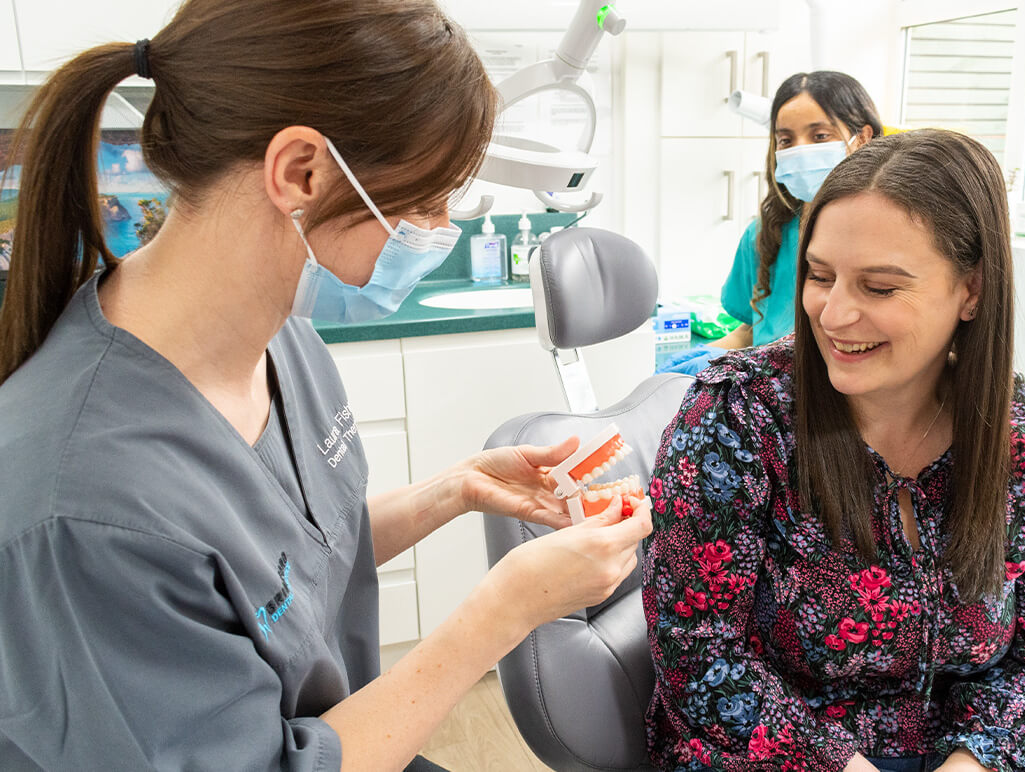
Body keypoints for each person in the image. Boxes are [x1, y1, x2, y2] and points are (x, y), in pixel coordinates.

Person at [0, 1, 652, 770]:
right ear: (300, 172)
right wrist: (503, 612)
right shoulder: (84, 507)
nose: (439, 231)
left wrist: (454, 490)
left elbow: (278, 573)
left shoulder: (285, 342)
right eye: (427, 199)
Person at [642, 129, 1025, 772]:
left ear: (971, 290)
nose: (832, 315)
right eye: (820, 276)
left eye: (879, 288)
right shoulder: (739, 417)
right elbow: (699, 654)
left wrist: (972, 762)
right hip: (783, 754)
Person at [659, 71, 882, 375]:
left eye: (819, 137)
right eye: (786, 140)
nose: (799, 150)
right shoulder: (766, 235)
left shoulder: (887, 236)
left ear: (862, 138)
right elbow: (754, 331)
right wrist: (700, 360)